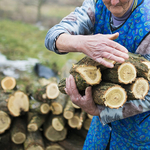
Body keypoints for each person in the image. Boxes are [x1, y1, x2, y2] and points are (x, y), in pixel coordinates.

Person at [45, 0, 150, 149]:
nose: (114, 2)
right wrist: (80, 43)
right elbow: (52, 36)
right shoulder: (95, 5)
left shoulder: (147, 23)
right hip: (101, 132)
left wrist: (100, 111)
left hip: (138, 136)